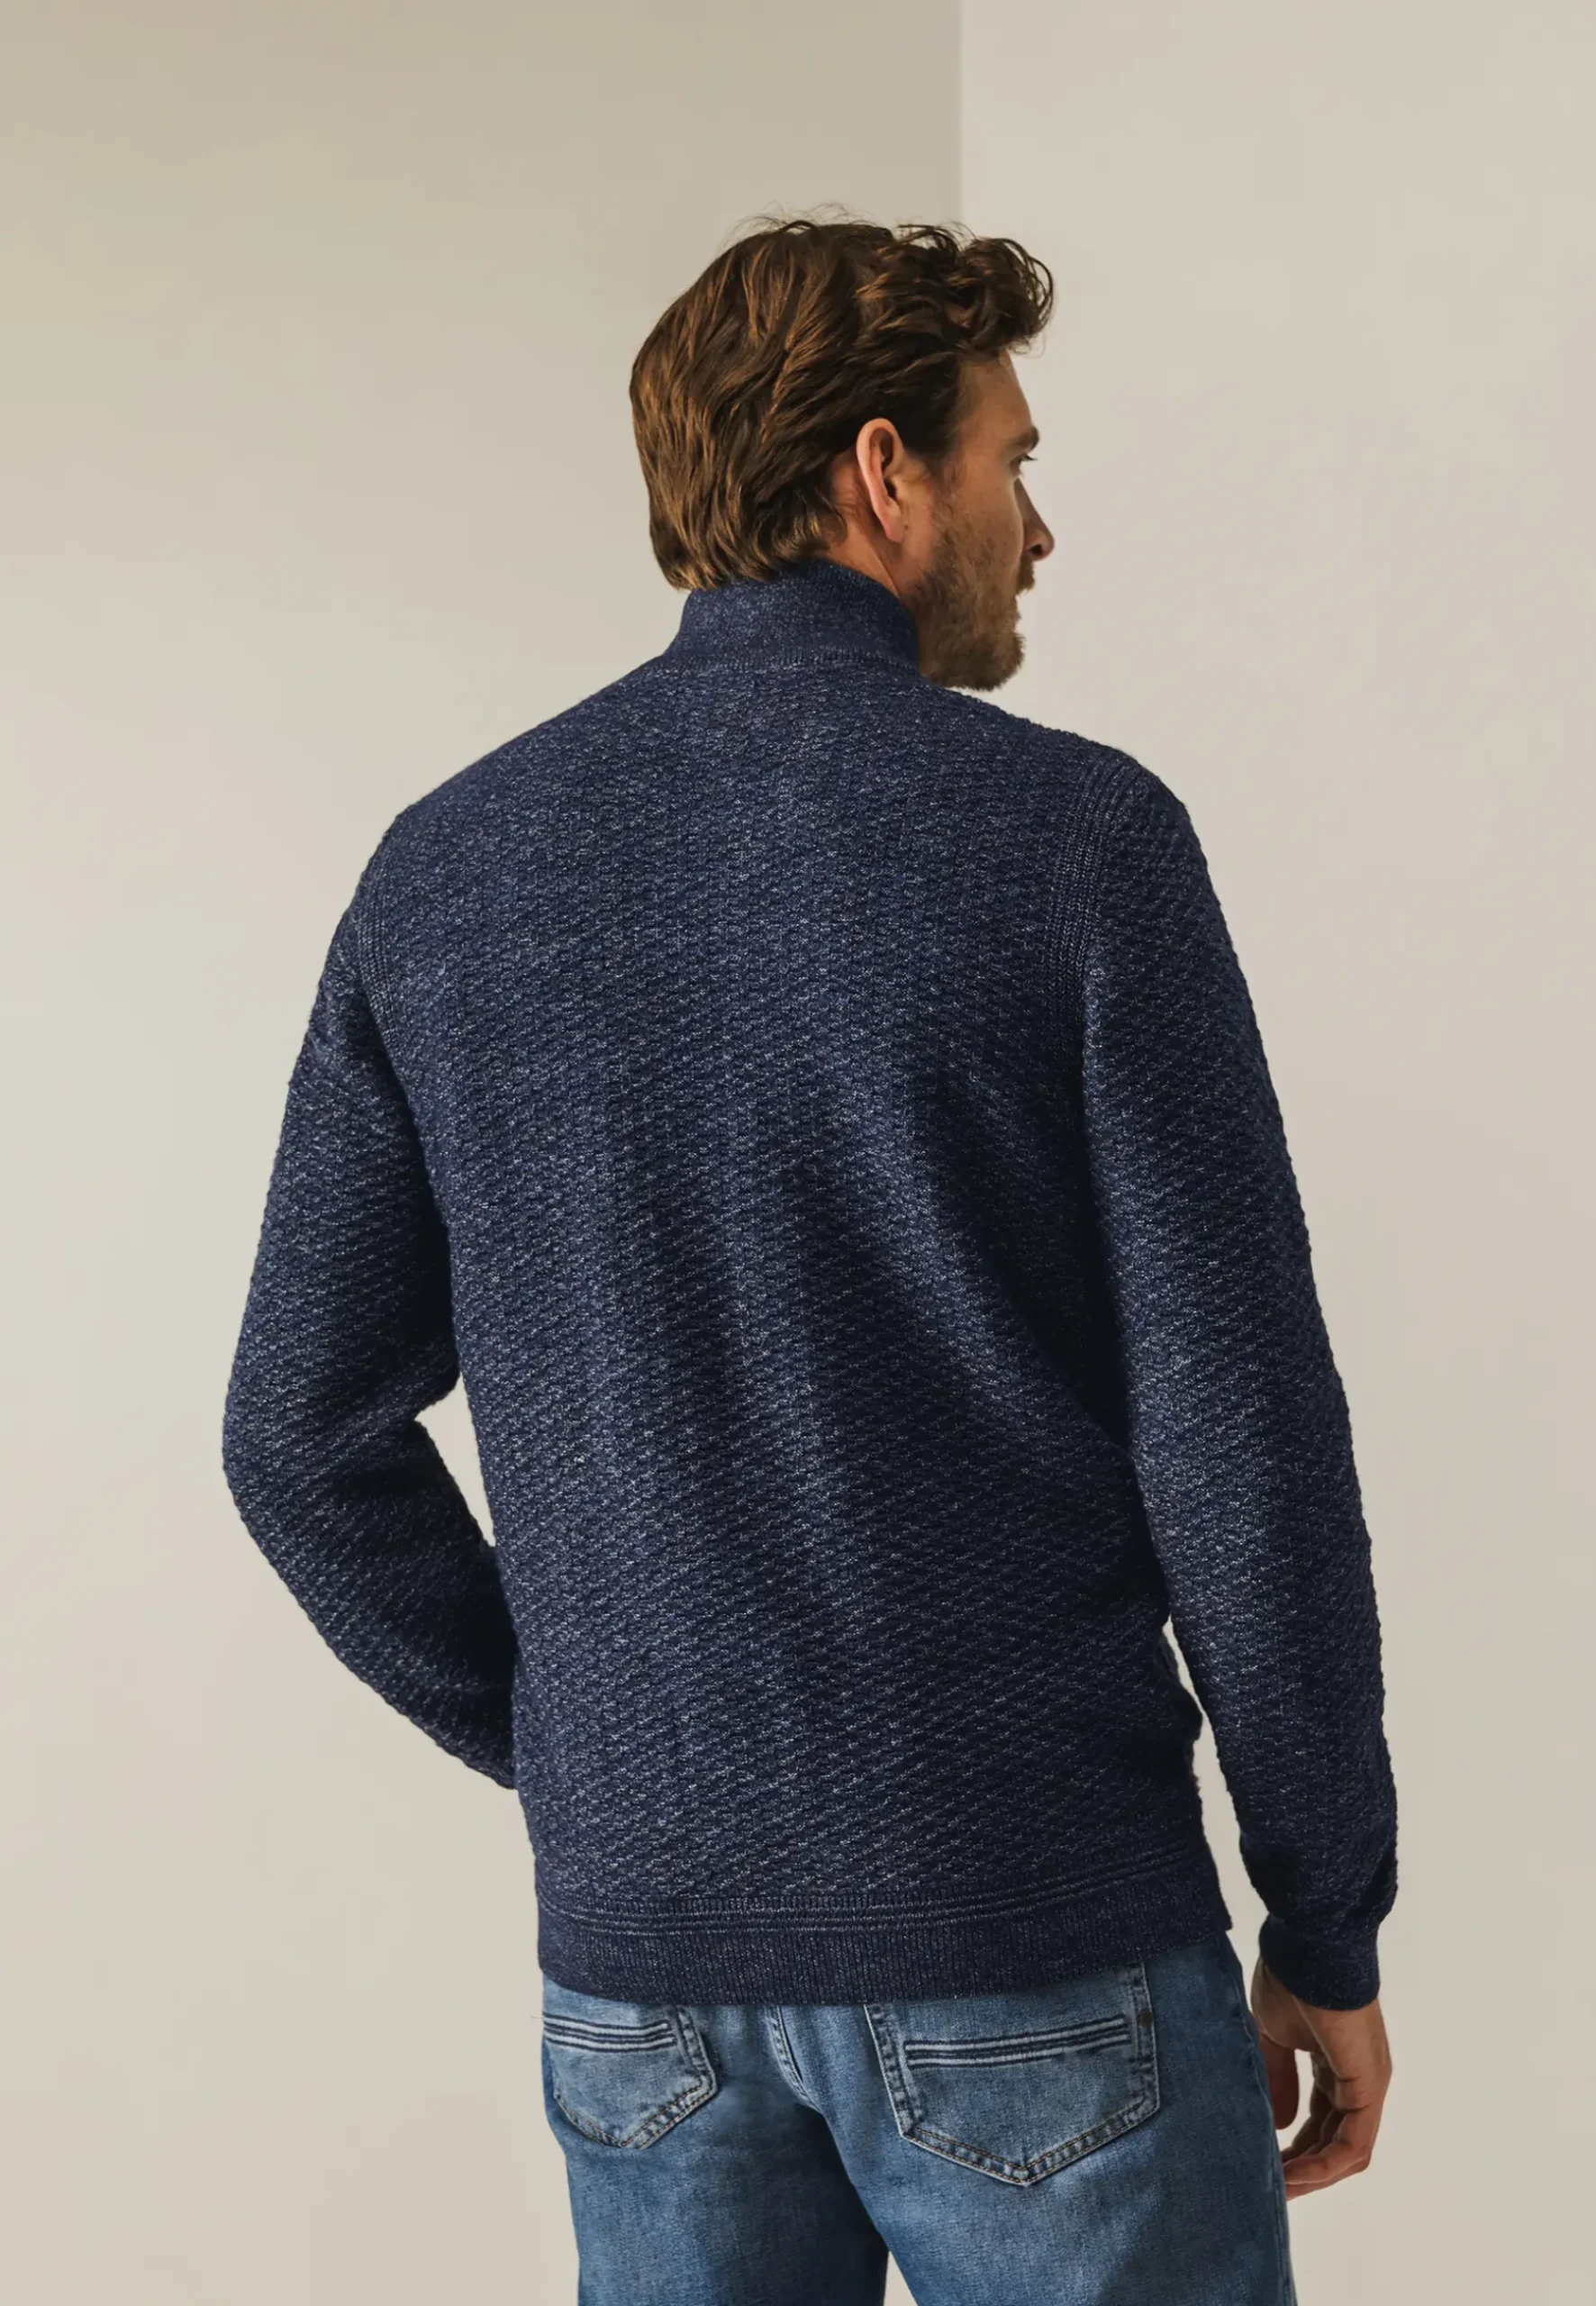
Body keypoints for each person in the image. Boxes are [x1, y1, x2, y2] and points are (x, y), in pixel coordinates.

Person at [222, 216, 1397, 2304]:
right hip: (1034, 1930)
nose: (1039, 527)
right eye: (1010, 461)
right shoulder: (1078, 843)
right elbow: (1240, 1441)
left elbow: (296, 1436)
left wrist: (597, 1750)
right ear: (883, 474)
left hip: (645, 1979)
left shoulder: (447, 874)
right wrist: (1327, 1912)